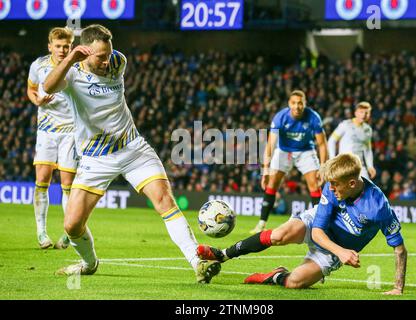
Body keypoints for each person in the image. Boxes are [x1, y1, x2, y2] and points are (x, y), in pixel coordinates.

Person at [43, 24, 220, 283]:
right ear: (83, 52)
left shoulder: (118, 62)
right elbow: (48, 86)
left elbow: (107, 62)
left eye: (108, 54)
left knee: (165, 201)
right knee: (71, 226)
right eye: (100, 56)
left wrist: (100, 57)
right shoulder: (71, 75)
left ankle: (198, 262)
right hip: (96, 158)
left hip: (132, 148)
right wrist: (70, 59)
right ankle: (90, 263)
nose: (107, 61)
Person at [198, 153, 407, 295]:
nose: (331, 188)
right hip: (320, 228)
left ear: (352, 183)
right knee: (279, 235)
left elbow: (399, 249)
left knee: (294, 283)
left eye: (335, 185)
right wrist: (343, 252)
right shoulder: (332, 186)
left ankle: (275, 275)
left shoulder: (378, 207)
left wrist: (398, 287)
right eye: (330, 184)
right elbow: (317, 231)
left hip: (332, 251)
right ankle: (223, 254)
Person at [27, 27, 77, 250]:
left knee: (68, 184)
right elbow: (31, 89)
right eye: (58, 46)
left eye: (66, 46)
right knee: (42, 180)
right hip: (46, 131)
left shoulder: (77, 66)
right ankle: (41, 233)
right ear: (50, 47)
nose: (62, 50)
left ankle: (68, 232)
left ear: (71, 47)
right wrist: (36, 100)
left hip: (71, 132)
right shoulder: (38, 66)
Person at [252, 90, 328, 234]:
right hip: (284, 151)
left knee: (315, 184)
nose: (297, 106)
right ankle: (261, 223)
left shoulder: (313, 117)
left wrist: (323, 167)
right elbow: (270, 145)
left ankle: (320, 225)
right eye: (294, 103)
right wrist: (266, 170)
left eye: (300, 103)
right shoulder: (280, 117)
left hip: (306, 151)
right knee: (272, 183)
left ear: (305, 104)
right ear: (289, 104)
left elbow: (322, 144)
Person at [327, 101, 376, 180]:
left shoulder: (368, 129)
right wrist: (332, 159)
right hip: (344, 164)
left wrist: (370, 166)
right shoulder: (345, 124)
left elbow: (367, 150)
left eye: (367, 113)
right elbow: (331, 140)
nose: (364, 115)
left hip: (359, 165)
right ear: (356, 113)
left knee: (367, 189)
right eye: (361, 112)